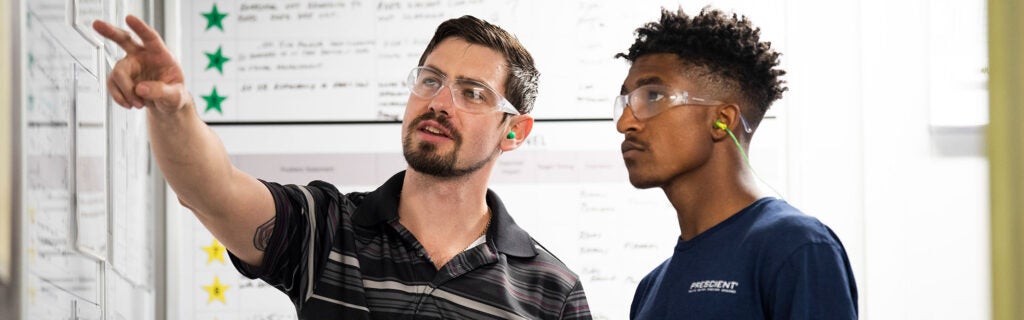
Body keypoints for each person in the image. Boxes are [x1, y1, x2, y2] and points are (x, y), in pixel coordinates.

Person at [93, 15, 591, 319]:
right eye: (431, 80)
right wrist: (172, 109)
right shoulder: (327, 225)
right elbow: (213, 192)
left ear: (514, 131)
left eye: (472, 93)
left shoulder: (552, 291)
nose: (440, 102)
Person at [613, 8, 858, 319]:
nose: (624, 123)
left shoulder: (796, 246)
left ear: (721, 120)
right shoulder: (651, 287)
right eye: (625, 101)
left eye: (653, 96)